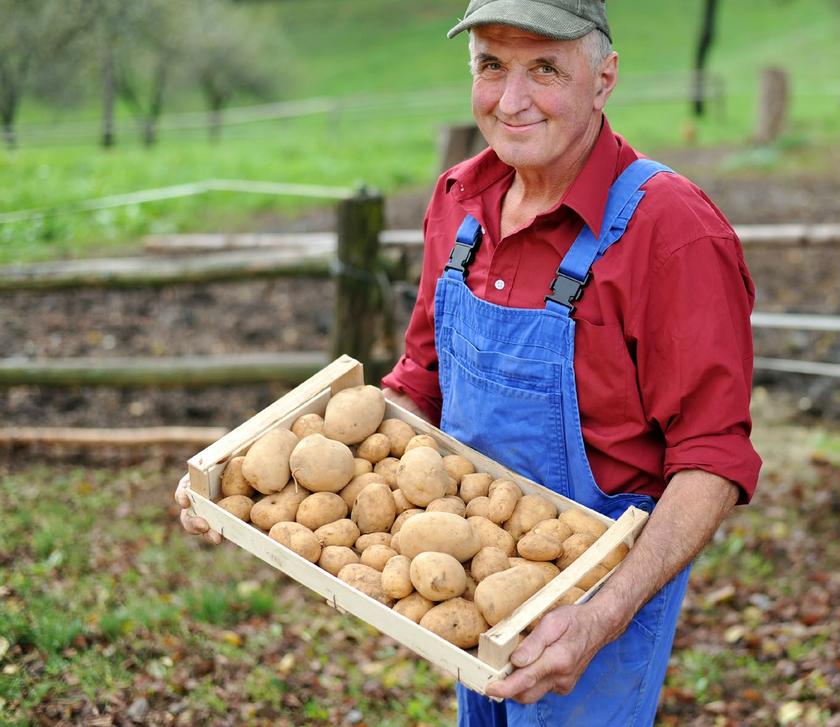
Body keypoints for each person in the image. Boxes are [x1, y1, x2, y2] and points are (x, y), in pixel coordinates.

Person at [177, 0, 761, 724]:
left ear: (604, 78)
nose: (511, 102)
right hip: (469, 579)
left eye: (544, 68)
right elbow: (418, 382)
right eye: (491, 66)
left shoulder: (671, 231)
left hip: (598, 594)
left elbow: (712, 459)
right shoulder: (461, 201)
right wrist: (251, 497)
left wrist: (600, 616)